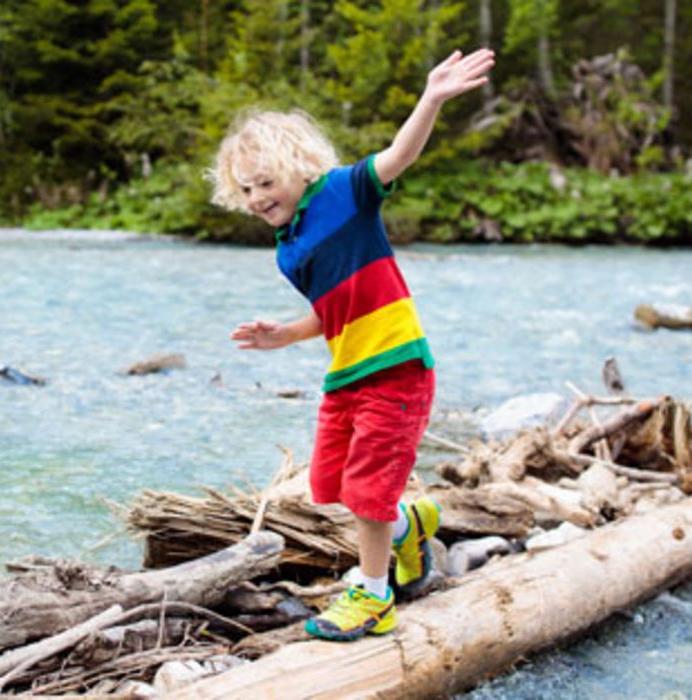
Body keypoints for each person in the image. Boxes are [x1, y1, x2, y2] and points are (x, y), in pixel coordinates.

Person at [206, 48, 495, 641]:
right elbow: (331, 311)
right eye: (247, 188)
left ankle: (371, 596)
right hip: (346, 373)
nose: (258, 196)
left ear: (299, 167)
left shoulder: (344, 193)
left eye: (267, 181)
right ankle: (412, 523)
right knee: (330, 485)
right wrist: (285, 334)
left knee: (367, 488)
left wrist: (432, 97)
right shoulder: (288, 247)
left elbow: (400, 154)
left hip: (397, 367)